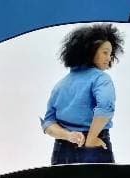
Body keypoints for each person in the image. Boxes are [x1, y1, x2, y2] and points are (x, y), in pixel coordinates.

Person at [42, 23, 124, 165]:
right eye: (105, 52)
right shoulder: (100, 78)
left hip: (62, 149)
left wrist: (68, 136)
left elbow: (48, 123)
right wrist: (91, 139)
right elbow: (106, 107)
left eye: (110, 54)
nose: (109, 58)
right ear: (90, 51)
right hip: (94, 145)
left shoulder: (59, 85)